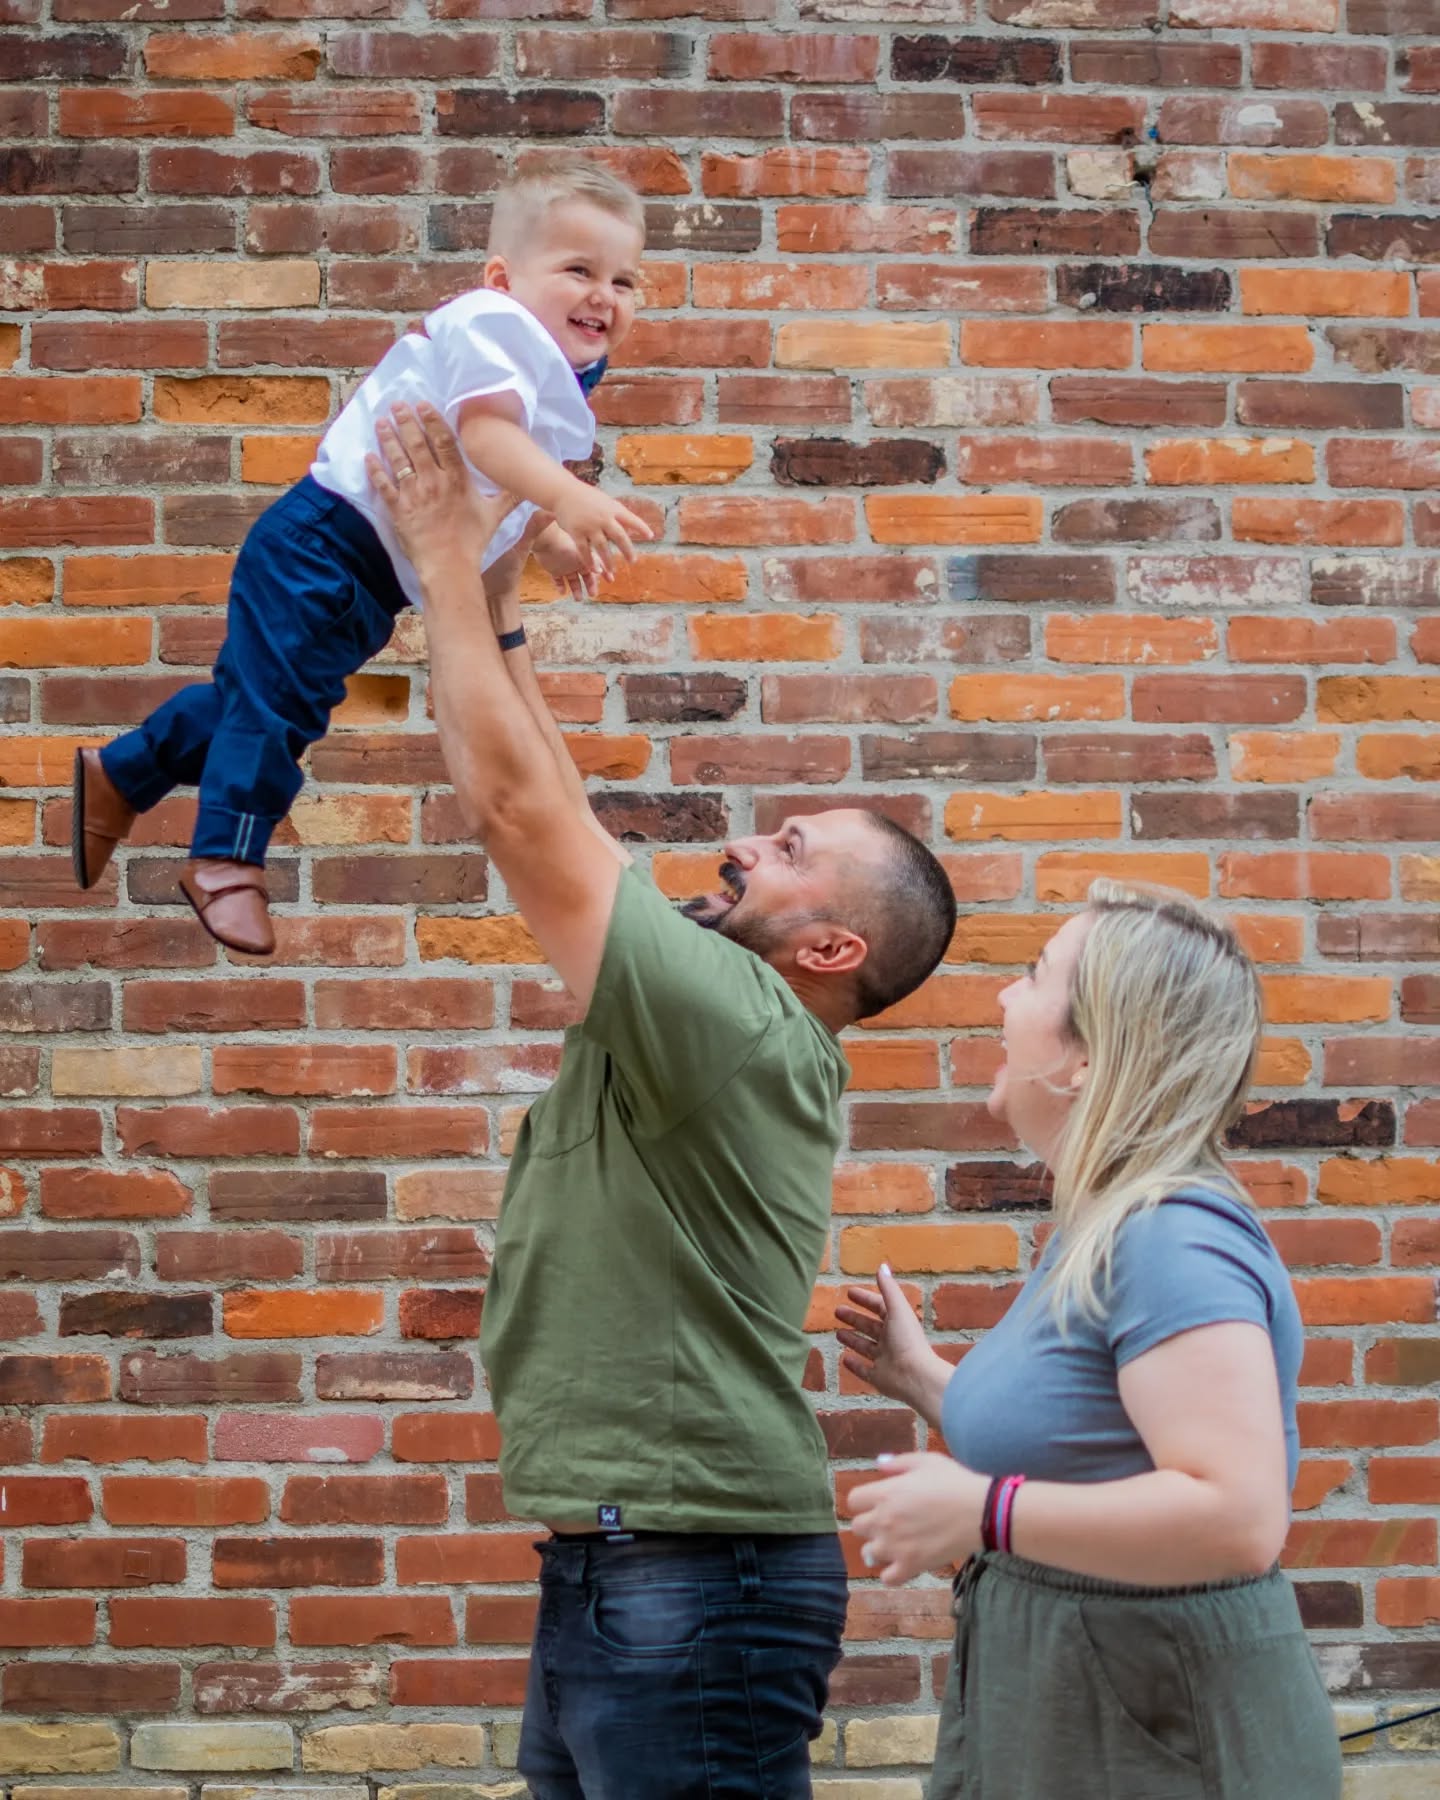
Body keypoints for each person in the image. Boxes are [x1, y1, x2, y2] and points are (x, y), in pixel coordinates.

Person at [362, 399, 958, 1800]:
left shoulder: (738, 1023)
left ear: (829, 952)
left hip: (694, 1578)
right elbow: (552, 799)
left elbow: (520, 822)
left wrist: (444, 555)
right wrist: (496, 607)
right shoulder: (713, 1001)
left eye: (794, 848)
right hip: (624, 1565)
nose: (751, 839)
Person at [70, 151, 651, 956]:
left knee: (268, 704)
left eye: (625, 281)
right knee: (277, 711)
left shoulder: (549, 363)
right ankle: (226, 859)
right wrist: (569, 497)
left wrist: (545, 537)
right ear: (502, 276)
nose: (604, 295)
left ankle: (122, 776)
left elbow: (486, 470)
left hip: (370, 580)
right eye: (580, 269)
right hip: (324, 541)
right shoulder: (494, 324)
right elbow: (487, 436)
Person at [836, 883, 1343, 1800]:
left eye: (1034, 978)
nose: (1001, 999)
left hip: (1157, 1727)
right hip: (1091, 1705)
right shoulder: (1104, 1226)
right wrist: (924, 1380)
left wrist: (985, 1512)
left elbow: (1237, 1517)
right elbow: (1087, 1450)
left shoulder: (1171, 1234)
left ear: (1082, 1058)